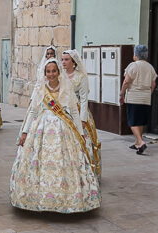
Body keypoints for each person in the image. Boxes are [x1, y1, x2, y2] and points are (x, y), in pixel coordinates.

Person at [10, 59, 101, 213]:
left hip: (63, 129)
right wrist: (25, 132)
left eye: (53, 71)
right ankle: (36, 198)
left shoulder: (67, 89)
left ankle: (68, 199)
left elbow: (73, 112)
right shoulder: (40, 89)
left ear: (59, 72)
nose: (51, 74)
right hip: (41, 129)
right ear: (44, 73)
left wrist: (80, 134)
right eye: (48, 71)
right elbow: (32, 111)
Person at [62, 49, 101, 179]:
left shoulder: (81, 77)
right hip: (62, 112)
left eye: (66, 59)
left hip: (77, 111)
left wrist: (83, 119)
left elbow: (84, 99)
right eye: (62, 59)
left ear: (73, 62)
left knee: (83, 141)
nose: (63, 62)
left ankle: (86, 172)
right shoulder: (60, 75)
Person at [119, 45, 157, 155]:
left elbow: (126, 81)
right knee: (140, 121)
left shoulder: (133, 65)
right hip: (145, 98)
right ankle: (137, 142)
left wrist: (121, 93)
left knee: (132, 121)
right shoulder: (150, 67)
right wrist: (148, 93)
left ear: (136, 55)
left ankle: (140, 142)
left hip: (134, 97)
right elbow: (153, 84)